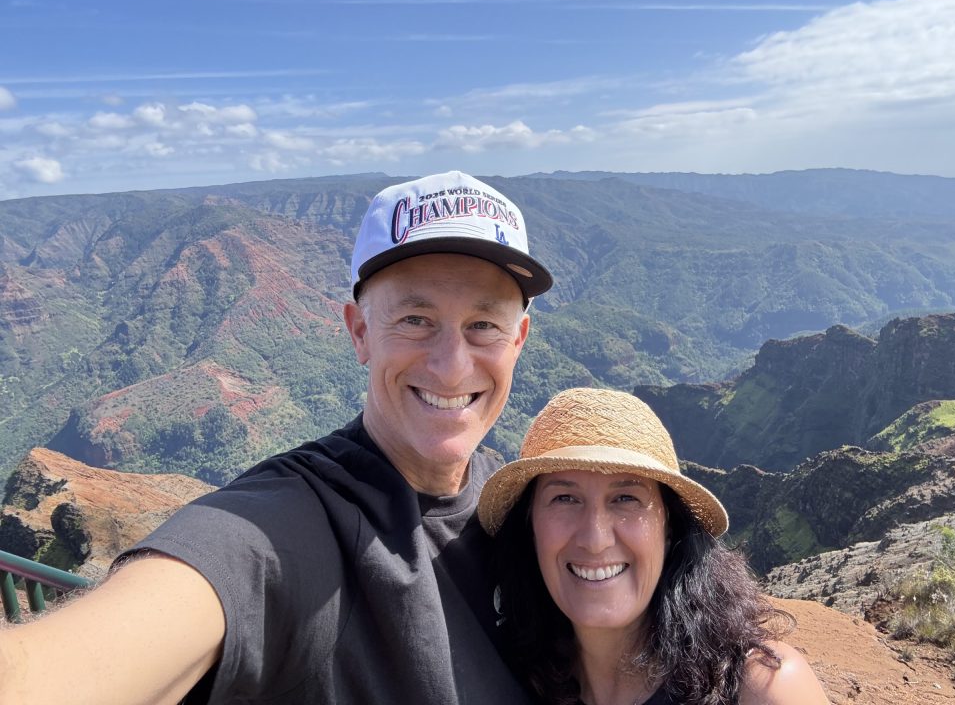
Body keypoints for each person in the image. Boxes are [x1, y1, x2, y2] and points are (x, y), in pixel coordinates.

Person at [0, 171, 552, 705]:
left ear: (520, 339)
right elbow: (42, 681)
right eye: (415, 319)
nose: (452, 367)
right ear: (359, 331)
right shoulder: (282, 528)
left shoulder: (522, 510)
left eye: (484, 325)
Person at [478, 388, 830, 705]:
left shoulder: (761, 689)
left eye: (626, 499)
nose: (595, 539)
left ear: (670, 526)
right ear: (531, 526)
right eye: (565, 498)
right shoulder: (509, 679)